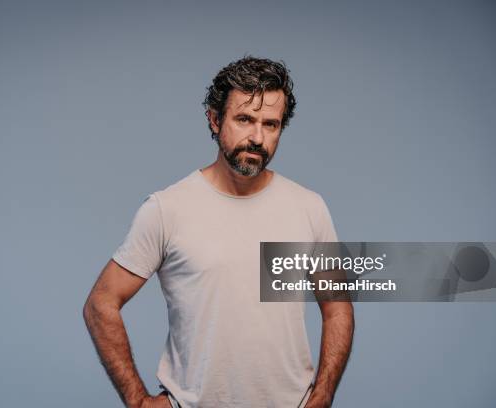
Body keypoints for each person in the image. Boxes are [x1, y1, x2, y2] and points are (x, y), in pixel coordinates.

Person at [83, 56, 354, 408]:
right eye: (244, 119)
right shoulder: (167, 209)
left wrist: (324, 393)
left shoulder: (309, 207)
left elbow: (337, 308)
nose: (257, 137)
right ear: (215, 120)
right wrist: (137, 400)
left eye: (270, 125)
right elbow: (100, 304)